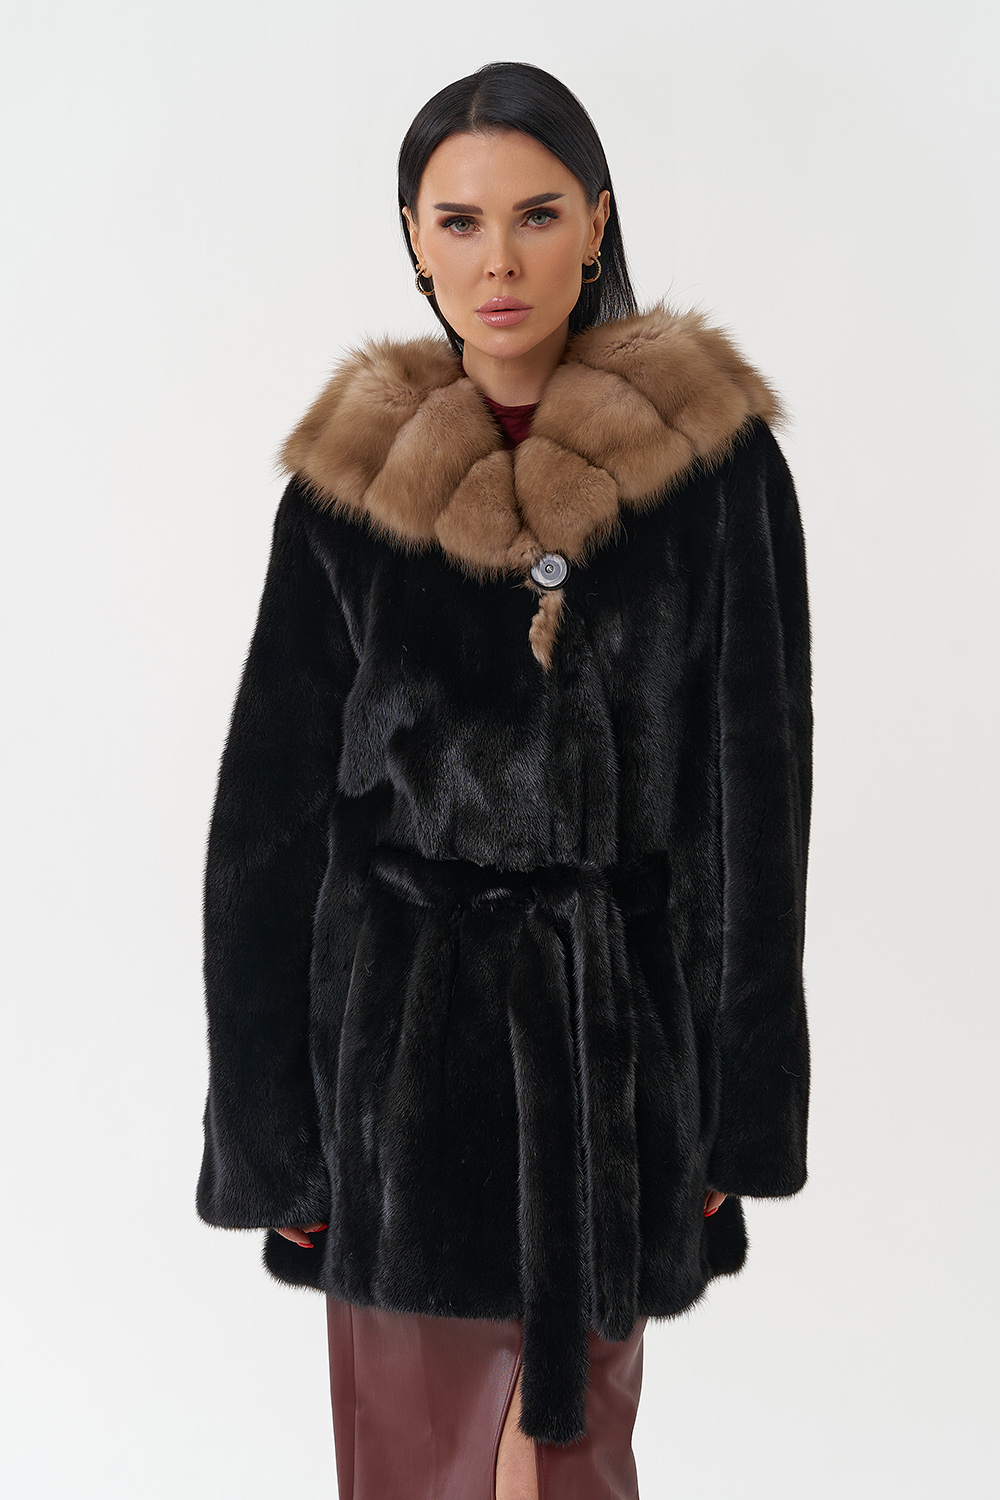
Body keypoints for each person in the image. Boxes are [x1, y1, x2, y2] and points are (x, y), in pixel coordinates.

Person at [196, 59, 813, 1500]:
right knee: (411, 1475)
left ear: (596, 222)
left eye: (536, 215)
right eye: (459, 221)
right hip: (395, 1083)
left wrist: (737, 1112)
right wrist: (271, 1138)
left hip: (612, 1068)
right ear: (413, 239)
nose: (499, 261)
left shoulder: (712, 471)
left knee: (575, 1472)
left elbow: (756, 806)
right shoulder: (349, 489)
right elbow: (265, 833)